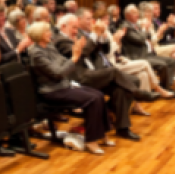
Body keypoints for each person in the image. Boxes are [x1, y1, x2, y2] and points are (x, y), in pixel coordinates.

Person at [28, 21, 114, 156]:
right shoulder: (36, 53)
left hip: (63, 86)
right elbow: (57, 73)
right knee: (92, 99)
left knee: (98, 95)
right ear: (39, 35)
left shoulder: (49, 46)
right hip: (52, 91)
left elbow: (62, 62)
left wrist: (73, 56)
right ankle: (91, 140)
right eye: (47, 31)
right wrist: (74, 58)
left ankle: (103, 134)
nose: (50, 33)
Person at [54, 13, 142, 140]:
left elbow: (102, 50)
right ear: (63, 26)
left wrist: (102, 37)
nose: (76, 31)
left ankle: (122, 127)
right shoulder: (60, 41)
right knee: (115, 73)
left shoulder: (78, 35)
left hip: (93, 73)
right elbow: (81, 54)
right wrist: (94, 35)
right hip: (81, 78)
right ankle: (136, 94)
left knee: (125, 86)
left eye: (76, 28)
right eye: (73, 28)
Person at [120, 4, 175, 88]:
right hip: (138, 57)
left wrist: (147, 29)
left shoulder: (137, 25)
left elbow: (148, 37)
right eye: (134, 13)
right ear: (128, 15)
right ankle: (165, 88)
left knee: (172, 61)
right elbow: (140, 40)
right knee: (163, 65)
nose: (137, 15)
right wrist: (144, 28)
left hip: (147, 54)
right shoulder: (126, 27)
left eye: (137, 12)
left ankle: (167, 85)